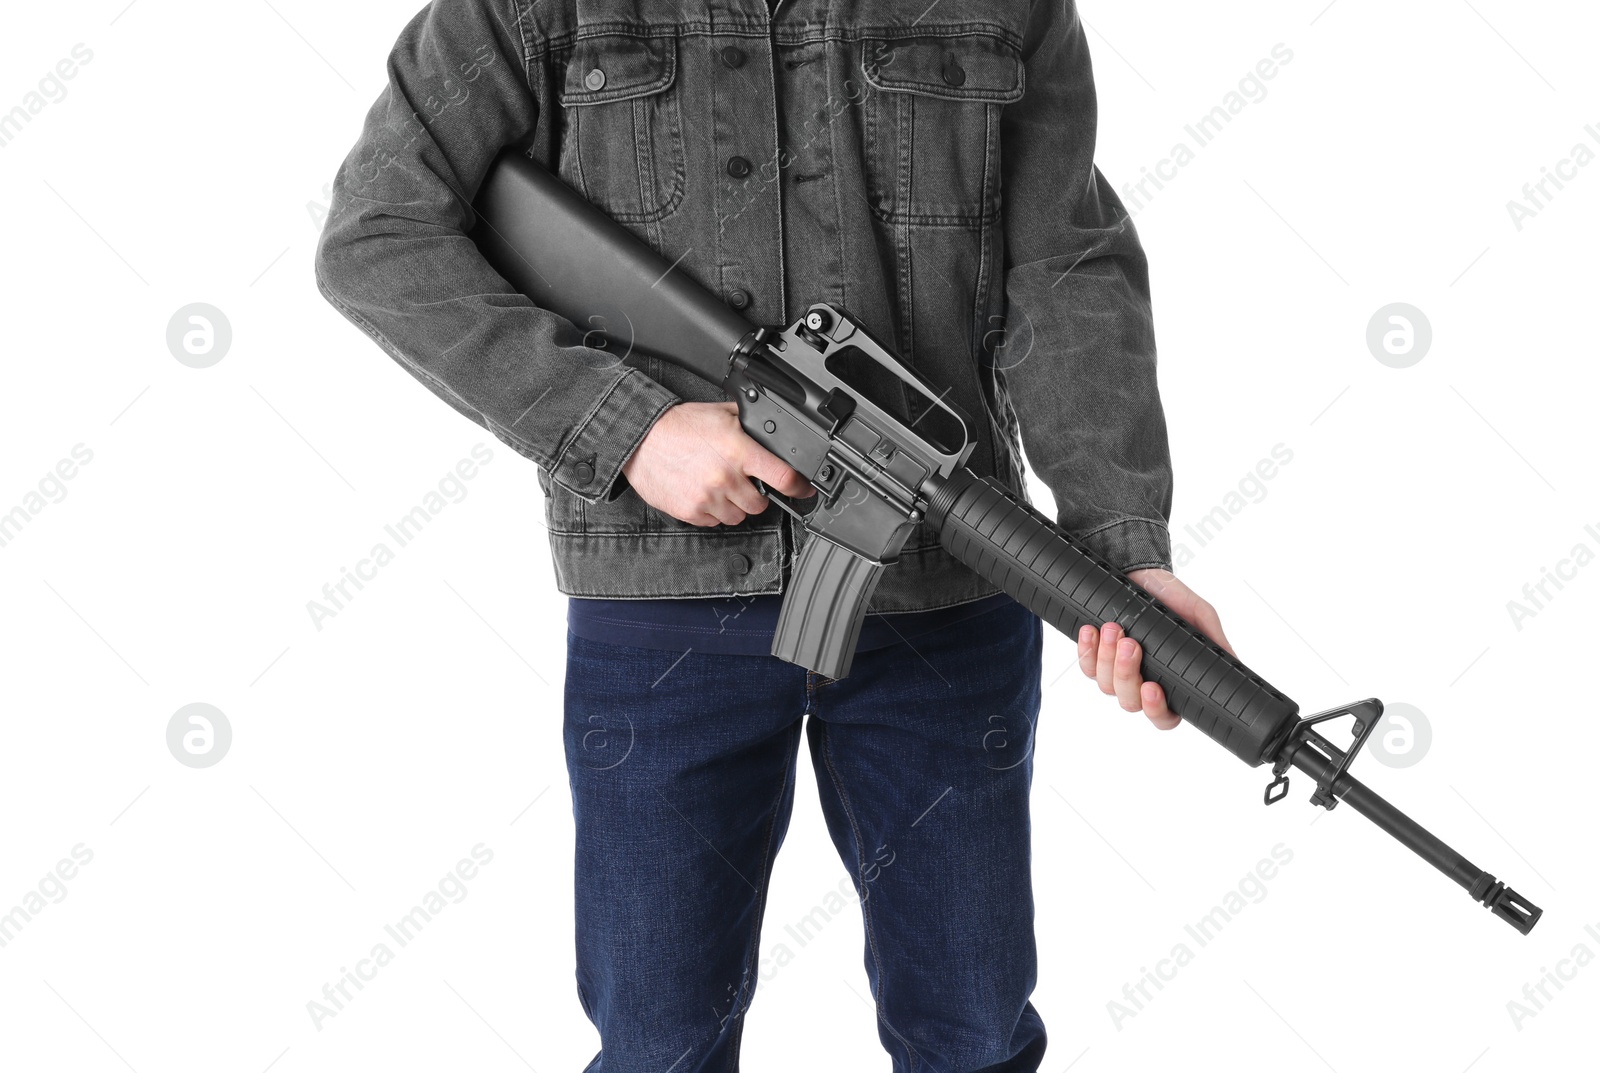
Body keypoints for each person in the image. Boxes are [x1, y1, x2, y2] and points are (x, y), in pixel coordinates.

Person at [314, 1, 1234, 1069]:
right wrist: (629, 428)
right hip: (662, 610)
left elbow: (1066, 268)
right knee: (659, 1041)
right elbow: (378, 236)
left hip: (948, 593)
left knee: (974, 1028)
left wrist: (1124, 556)